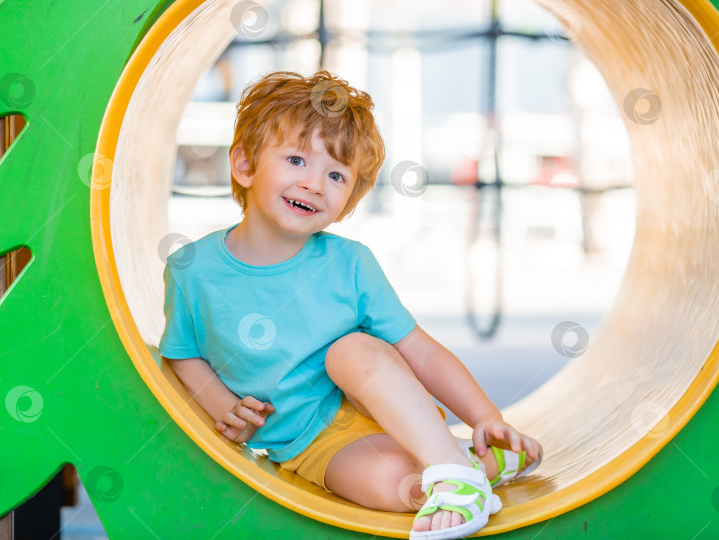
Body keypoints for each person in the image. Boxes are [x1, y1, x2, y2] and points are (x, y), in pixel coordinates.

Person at [159, 70, 542, 539]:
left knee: (351, 350)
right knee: (390, 486)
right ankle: (467, 471)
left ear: (349, 198)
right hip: (306, 444)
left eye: (336, 174)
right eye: (296, 160)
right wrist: (222, 406)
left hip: (384, 406)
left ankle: (456, 469)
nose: (315, 183)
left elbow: (419, 351)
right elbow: (181, 352)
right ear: (243, 164)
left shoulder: (349, 263)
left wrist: (486, 417)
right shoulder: (192, 269)